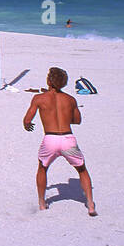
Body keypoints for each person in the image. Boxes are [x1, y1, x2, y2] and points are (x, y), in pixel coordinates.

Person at [23, 67, 96, 214]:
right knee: (82, 169)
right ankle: (90, 204)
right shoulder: (70, 99)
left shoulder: (39, 98)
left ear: (49, 81)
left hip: (50, 138)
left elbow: (27, 120)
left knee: (43, 168)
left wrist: (27, 125)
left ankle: (42, 203)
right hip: (68, 138)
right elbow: (77, 120)